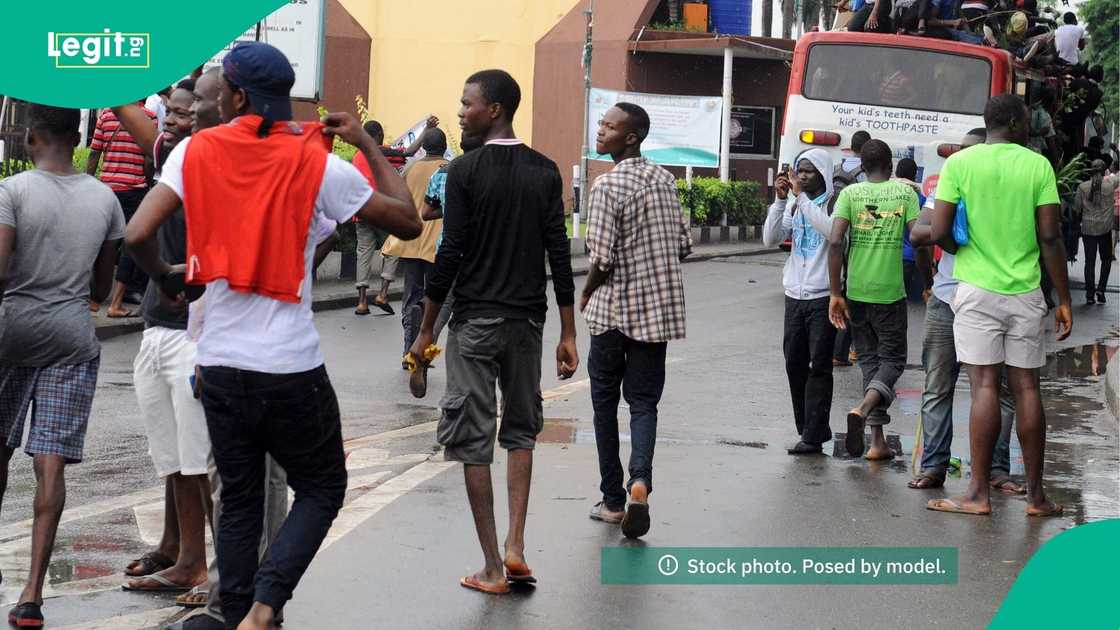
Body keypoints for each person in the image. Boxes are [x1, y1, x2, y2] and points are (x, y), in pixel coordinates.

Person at [124, 42, 421, 629]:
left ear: (235, 97)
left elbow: (137, 232)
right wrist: (363, 141)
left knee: (239, 494)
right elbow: (407, 218)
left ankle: (229, 610)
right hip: (289, 366)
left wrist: (167, 277)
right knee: (322, 486)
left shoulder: (195, 152)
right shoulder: (318, 165)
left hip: (219, 364)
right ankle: (263, 606)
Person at [408, 69, 578, 595]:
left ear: (495, 109)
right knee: (522, 434)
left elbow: (450, 253)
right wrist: (568, 333)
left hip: (475, 324)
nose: (460, 112)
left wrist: (426, 328)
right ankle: (516, 546)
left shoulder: (466, 171)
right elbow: (559, 255)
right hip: (528, 323)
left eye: (467, 104)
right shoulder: (546, 171)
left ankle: (492, 568)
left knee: (472, 441)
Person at [0, 104, 125, 628]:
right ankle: (31, 594)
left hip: (11, 331)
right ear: (77, 137)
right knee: (48, 463)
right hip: (72, 336)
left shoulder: (12, 193)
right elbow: (102, 286)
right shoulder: (105, 199)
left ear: (31, 138)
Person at [926, 94, 1070, 517]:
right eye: (1026, 118)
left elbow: (938, 232)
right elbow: (1050, 237)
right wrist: (1061, 299)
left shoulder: (959, 164)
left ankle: (977, 494)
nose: (1030, 125)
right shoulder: (1037, 166)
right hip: (1025, 293)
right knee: (1026, 387)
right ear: (1011, 120)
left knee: (984, 386)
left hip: (975, 291)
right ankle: (1036, 497)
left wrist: (964, 250)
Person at [110, 86, 212, 596]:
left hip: (196, 332)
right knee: (171, 456)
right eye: (168, 111)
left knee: (198, 460)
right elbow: (121, 104)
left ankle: (203, 566)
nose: (168, 120)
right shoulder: (167, 156)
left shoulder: (213, 166)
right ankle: (176, 549)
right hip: (156, 326)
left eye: (183, 114)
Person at [581, 103, 691, 537]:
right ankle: (640, 483)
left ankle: (612, 499)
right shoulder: (666, 180)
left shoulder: (606, 186)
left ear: (631, 137)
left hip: (612, 313)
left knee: (604, 405)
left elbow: (602, 257)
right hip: (656, 314)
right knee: (644, 403)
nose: (601, 130)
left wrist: (587, 289)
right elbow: (683, 244)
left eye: (609, 127)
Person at [907, 128, 1024, 494]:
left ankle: (996, 470)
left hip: (993, 298)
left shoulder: (1007, 190)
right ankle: (934, 466)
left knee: (998, 391)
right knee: (937, 387)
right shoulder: (944, 187)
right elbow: (917, 235)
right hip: (947, 300)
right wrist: (947, 239)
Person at [827, 139, 920, 461]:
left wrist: (836, 293)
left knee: (869, 361)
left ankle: (877, 442)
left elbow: (836, 241)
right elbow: (918, 239)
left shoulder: (850, 195)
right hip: (889, 291)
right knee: (893, 360)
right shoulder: (905, 194)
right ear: (890, 166)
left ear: (862, 167)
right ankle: (865, 408)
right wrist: (929, 279)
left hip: (857, 291)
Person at [763, 149, 838, 456]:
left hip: (823, 296)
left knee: (819, 366)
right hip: (794, 295)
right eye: (799, 171)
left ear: (822, 174)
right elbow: (769, 239)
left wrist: (800, 199)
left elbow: (832, 232)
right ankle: (807, 427)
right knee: (794, 363)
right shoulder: (795, 203)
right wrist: (781, 201)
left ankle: (813, 435)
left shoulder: (834, 203)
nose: (801, 176)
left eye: (808, 171)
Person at [352, 116, 439, 316]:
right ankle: (382, 294)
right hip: (384, 211)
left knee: (363, 254)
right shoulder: (382, 153)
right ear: (379, 136)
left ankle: (362, 302)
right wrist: (427, 128)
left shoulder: (357, 156)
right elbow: (408, 152)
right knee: (393, 247)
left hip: (362, 213)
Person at [380, 129, 449, 359]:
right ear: (444, 146)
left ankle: (407, 348)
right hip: (436, 245)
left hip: (411, 241)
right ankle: (423, 349)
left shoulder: (410, 168)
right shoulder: (448, 170)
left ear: (425, 147)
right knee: (434, 298)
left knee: (411, 296)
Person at [87, 102, 158, 317]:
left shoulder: (106, 116)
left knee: (97, 242)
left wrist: (87, 183)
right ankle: (115, 304)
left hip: (106, 188)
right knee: (129, 246)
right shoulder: (149, 118)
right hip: (133, 190)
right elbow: (149, 159)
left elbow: (94, 154)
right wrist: (146, 185)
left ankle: (91, 300)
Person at [1075, 159, 1117, 304]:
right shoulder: (1110, 185)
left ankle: (1089, 294)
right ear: (1104, 169)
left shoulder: (1082, 187)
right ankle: (1101, 290)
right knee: (1106, 260)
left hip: (1088, 229)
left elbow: (1077, 208)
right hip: (1105, 229)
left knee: (1090, 261)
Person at [894, 158, 928, 303]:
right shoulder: (921, 199)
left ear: (896, 172)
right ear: (915, 176)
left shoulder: (885, 193)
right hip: (908, 258)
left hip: (886, 255)